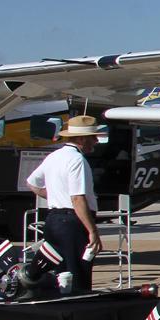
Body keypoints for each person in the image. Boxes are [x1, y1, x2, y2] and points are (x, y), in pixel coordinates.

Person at [25, 115, 105, 294]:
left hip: (54, 219)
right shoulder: (77, 160)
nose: (96, 141)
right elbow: (77, 198)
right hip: (71, 223)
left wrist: (54, 195)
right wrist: (92, 231)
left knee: (61, 272)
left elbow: (32, 183)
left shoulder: (54, 156)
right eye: (93, 137)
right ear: (82, 138)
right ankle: (77, 309)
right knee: (77, 273)